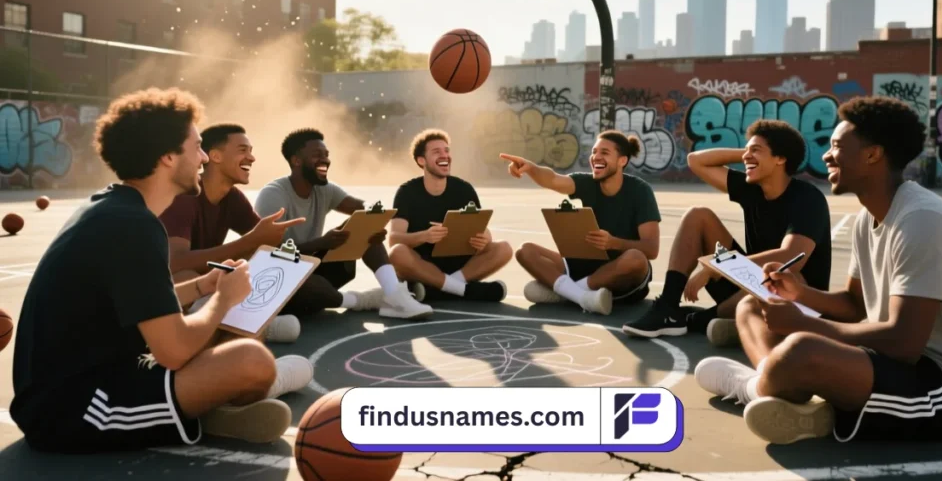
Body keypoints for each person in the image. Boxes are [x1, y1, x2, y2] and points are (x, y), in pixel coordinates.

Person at [695, 96, 942, 446]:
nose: (826, 154)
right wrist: (798, 293)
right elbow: (856, 305)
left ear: (872, 155)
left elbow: (904, 344)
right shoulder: (866, 217)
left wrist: (803, 323)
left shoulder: (922, 221)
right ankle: (780, 387)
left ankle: (753, 387)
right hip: (888, 359)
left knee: (800, 350)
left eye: (837, 145)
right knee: (752, 305)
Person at [10, 88, 300, 454]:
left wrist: (202, 287)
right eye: (196, 147)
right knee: (251, 360)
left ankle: (207, 412)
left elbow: (133, 302)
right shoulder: (131, 224)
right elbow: (174, 351)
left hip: (91, 380)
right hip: (76, 408)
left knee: (236, 338)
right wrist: (223, 299)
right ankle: (210, 408)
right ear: (166, 156)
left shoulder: (115, 208)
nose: (201, 158)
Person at [623, 120, 832, 347]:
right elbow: (696, 161)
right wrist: (751, 153)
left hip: (798, 302)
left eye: (756, 150)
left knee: (784, 277)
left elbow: (790, 260)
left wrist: (717, 266)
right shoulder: (751, 187)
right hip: (749, 284)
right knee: (698, 216)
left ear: (781, 158)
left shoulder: (807, 199)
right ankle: (668, 310)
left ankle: (702, 319)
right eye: (747, 150)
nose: (746, 157)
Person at [254, 128, 433, 320]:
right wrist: (321, 243)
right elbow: (269, 255)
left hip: (311, 268)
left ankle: (394, 295)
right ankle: (366, 300)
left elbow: (362, 207)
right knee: (311, 283)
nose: (325, 160)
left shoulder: (324, 189)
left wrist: (374, 222)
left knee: (363, 226)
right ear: (296, 161)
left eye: (326, 155)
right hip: (278, 280)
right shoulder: (273, 195)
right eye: (317, 155)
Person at [159, 123, 307, 343]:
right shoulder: (184, 198)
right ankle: (249, 326)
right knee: (187, 276)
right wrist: (249, 242)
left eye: (251, 151)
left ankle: (243, 322)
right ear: (215, 156)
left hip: (207, 285)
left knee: (301, 282)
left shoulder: (233, 198)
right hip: (166, 286)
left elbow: (262, 245)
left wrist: (279, 245)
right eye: (243, 150)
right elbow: (176, 263)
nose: (252, 158)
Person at [503, 130, 660, 315]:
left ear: (622, 161)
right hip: (585, 265)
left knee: (636, 258)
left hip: (621, 276)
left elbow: (651, 249)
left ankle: (568, 292)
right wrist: (530, 168)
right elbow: (553, 179)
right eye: (594, 151)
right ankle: (581, 296)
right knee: (525, 251)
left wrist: (613, 242)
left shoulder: (640, 191)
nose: (596, 157)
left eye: (604, 152)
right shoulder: (586, 183)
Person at [388, 129, 512, 302]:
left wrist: (484, 238)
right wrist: (425, 236)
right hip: (422, 265)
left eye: (446, 150)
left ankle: (444, 287)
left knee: (504, 249)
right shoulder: (407, 192)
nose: (444, 155)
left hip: (460, 265)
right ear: (421, 160)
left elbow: (484, 231)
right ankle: (465, 290)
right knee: (397, 254)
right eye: (436, 152)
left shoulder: (464, 189)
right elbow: (394, 239)